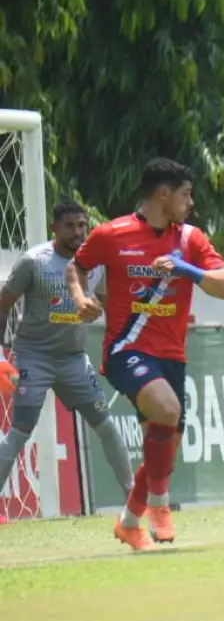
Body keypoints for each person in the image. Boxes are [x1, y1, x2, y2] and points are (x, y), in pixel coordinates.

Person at [66, 158, 224, 550]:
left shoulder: (190, 240)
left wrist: (184, 269)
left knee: (163, 449)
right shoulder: (112, 234)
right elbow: (76, 267)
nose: (190, 203)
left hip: (172, 355)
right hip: (126, 349)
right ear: (163, 194)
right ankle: (161, 504)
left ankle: (129, 521)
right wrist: (80, 297)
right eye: (186, 194)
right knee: (168, 409)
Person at [0, 201, 135, 504]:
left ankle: (133, 498)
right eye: (70, 226)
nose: (77, 232)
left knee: (106, 424)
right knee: (20, 431)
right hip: (34, 356)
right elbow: (3, 303)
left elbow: (105, 306)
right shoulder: (34, 261)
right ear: (55, 228)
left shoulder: (97, 264)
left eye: (82, 226)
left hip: (74, 359)